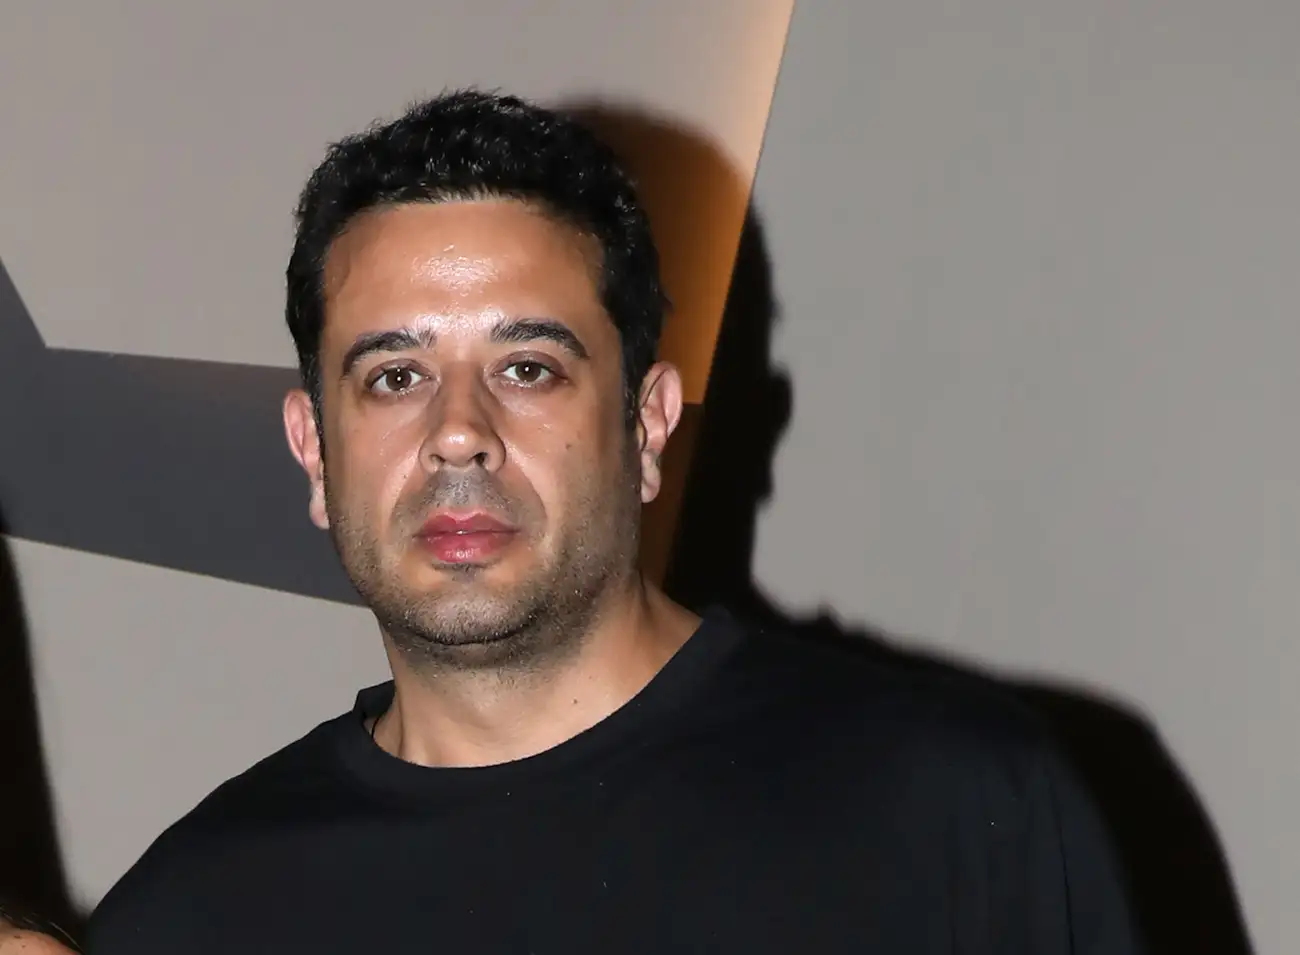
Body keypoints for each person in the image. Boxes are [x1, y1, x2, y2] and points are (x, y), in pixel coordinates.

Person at [85, 89, 1143, 953]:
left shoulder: (951, 809)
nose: (459, 434)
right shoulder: (189, 916)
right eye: (395, 375)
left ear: (646, 425)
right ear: (315, 450)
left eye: (527, 367)